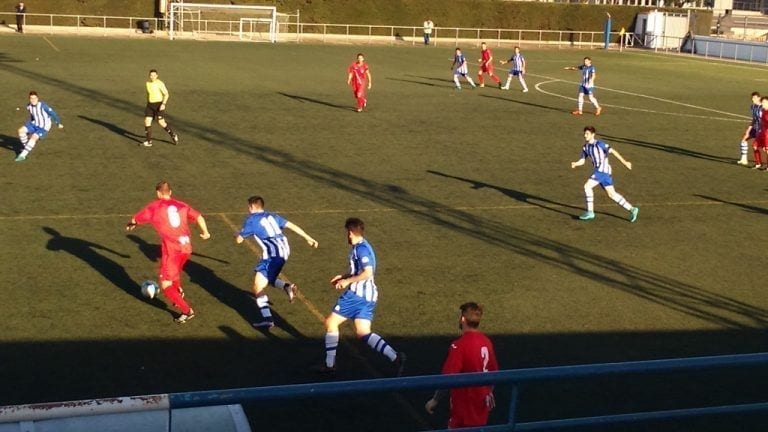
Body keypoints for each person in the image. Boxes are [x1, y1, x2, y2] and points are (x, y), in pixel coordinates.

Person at [318, 217, 405, 375]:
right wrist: (343, 277)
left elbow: (368, 272)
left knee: (331, 322)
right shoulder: (364, 246)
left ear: (350, 232)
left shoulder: (361, 249)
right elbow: (360, 270)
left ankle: (329, 364)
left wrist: (347, 282)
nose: (346, 236)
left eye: (346, 233)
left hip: (356, 296)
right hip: (369, 296)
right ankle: (396, 357)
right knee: (363, 331)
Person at [126, 181, 211, 323]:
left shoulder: (155, 207)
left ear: (158, 193)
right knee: (175, 272)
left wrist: (132, 223)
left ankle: (186, 311)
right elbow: (199, 217)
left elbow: (137, 218)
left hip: (172, 251)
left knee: (165, 285)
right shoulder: (182, 205)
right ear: (170, 192)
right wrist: (206, 233)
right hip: (187, 248)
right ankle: (178, 291)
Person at [235, 195, 319, 329]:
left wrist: (238, 233)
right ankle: (287, 287)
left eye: (248, 207)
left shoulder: (251, 220)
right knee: (267, 277)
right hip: (285, 250)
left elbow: (239, 240)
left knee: (258, 286)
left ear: (251, 207)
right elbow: (291, 225)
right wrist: (308, 238)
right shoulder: (272, 216)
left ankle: (268, 320)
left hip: (273, 255)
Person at [424, 302, 499, 429]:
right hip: (481, 409)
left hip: (464, 411)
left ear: (463, 319)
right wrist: (487, 393)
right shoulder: (486, 342)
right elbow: (495, 373)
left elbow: (447, 378)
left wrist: (435, 400)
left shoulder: (459, 345)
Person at [571, 126, 639, 222]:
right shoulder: (585, 147)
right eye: (584, 133)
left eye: (587, 134)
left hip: (602, 171)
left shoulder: (600, 144)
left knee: (587, 186)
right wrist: (576, 163)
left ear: (593, 135)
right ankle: (632, 209)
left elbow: (613, 152)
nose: (585, 135)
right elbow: (582, 160)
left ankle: (590, 212)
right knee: (612, 194)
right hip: (603, 173)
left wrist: (625, 162)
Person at [15, 91, 63, 162]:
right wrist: (30, 124)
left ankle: (23, 155)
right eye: (31, 98)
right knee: (20, 131)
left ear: (37, 98)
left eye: (34, 98)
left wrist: (58, 123)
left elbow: (53, 113)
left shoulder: (43, 106)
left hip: (44, 127)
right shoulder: (29, 106)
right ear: (29, 99)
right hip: (34, 123)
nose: (33, 100)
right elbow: (32, 115)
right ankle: (27, 147)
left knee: (33, 138)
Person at [143, 69, 179, 147]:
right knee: (147, 121)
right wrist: (148, 103)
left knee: (161, 122)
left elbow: (166, 94)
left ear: (157, 76)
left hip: (158, 105)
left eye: (154, 75)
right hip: (150, 105)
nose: (152, 77)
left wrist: (163, 104)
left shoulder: (160, 83)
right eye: (151, 75)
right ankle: (149, 141)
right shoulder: (147, 83)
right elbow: (148, 94)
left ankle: (173, 135)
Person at [737, 91, 761, 167]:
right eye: (752, 98)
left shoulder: (763, 107)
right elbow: (754, 119)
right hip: (755, 127)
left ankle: (759, 163)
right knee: (744, 139)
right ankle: (744, 159)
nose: (753, 99)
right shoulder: (753, 107)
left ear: (759, 98)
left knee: (763, 147)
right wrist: (748, 130)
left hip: (762, 129)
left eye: (754, 98)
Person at [751, 96, 768, 169]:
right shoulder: (763, 110)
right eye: (762, 102)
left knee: (767, 149)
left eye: (764, 102)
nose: (762, 104)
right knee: (755, 145)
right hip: (762, 131)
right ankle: (758, 163)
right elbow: (762, 121)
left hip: (767, 133)